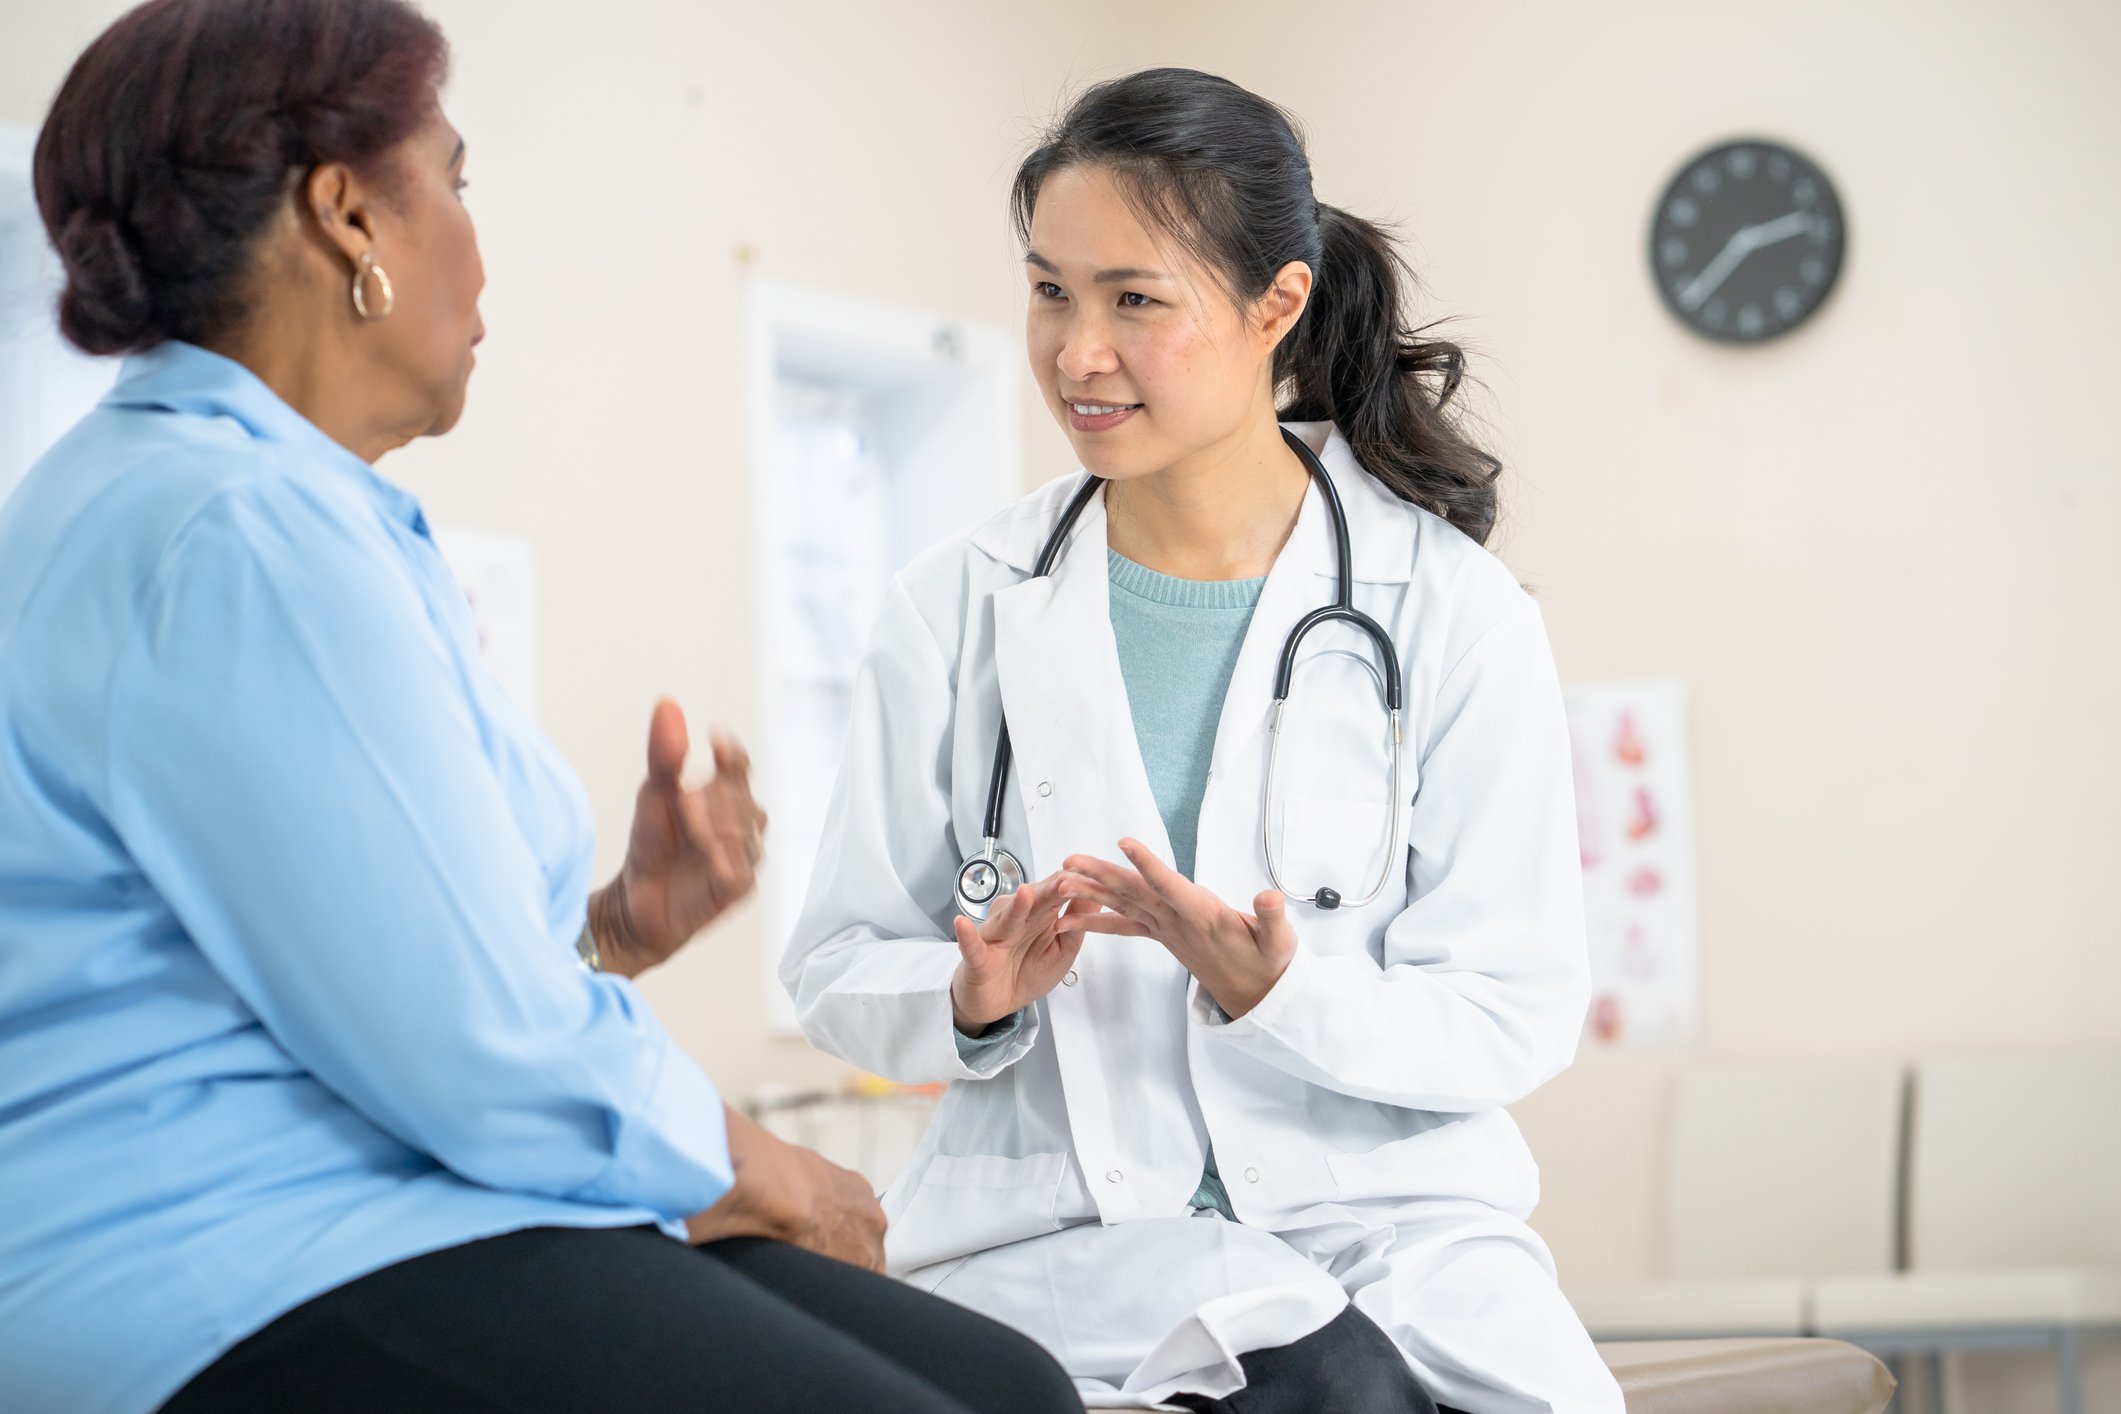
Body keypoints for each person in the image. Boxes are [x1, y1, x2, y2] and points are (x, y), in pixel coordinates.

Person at [0, 3, 1082, 1412]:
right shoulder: (234, 528)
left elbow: (373, 966)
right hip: (222, 1259)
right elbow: (468, 1048)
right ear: (344, 216)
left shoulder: (261, 506)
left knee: (1008, 1383)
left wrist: (616, 927)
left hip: (382, 1202)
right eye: (452, 180)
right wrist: (766, 1166)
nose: (473, 239)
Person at [781, 68, 1625, 1413]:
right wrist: (971, 997)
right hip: (1057, 1250)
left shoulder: (1448, 612)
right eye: (1049, 289)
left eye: (1134, 299)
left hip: (1386, 1240)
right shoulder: (956, 607)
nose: (1075, 352)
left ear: (1274, 304)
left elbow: (1509, 1010)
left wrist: (1277, 995)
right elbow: (832, 960)